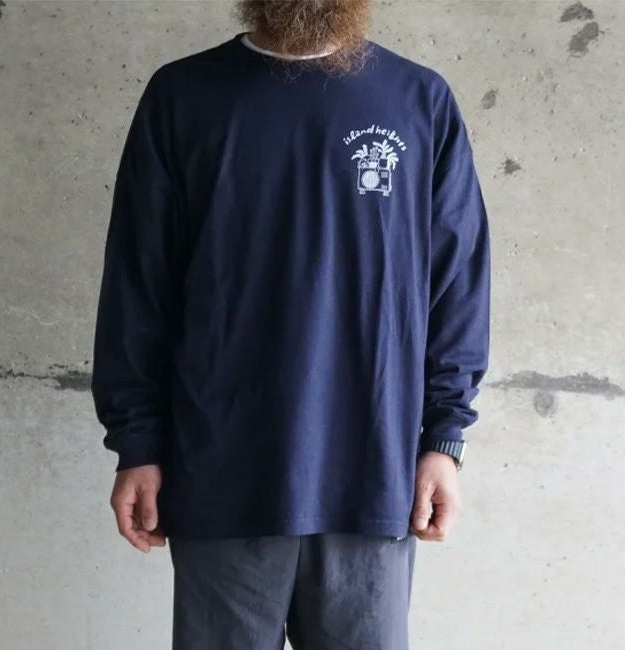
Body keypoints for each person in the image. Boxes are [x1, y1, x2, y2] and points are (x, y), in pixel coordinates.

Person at [90, 1, 491, 648]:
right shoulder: (183, 96)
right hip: (220, 475)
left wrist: (445, 439)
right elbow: (139, 286)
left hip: (372, 477)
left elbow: (458, 285)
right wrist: (137, 443)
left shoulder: (419, 101)